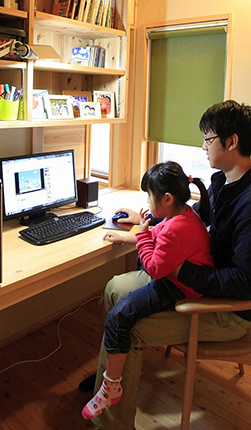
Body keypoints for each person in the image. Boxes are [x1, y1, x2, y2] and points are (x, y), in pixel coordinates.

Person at [87, 100, 251, 430]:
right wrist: (150, 221)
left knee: (130, 326)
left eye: (208, 139)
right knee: (114, 288)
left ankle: (110, 419)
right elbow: (194, 222)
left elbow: (246, 284)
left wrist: (180, 270)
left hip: (228, 310)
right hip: (197, 281)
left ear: (232, 142)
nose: (204, 146)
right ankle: (110, 373)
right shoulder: (224, 183)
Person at [82, 162, 213, 420]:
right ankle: (110, 380)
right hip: (177, 281)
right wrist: (127, 237)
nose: (147, 201)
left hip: (178, 289)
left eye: (149, 196)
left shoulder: (176, 229)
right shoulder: (182, 215)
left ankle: (111, 387)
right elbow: (155, 234)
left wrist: (141, 236)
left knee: (119, 317)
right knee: (121, 308)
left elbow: (154, 268)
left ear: (167, 199)